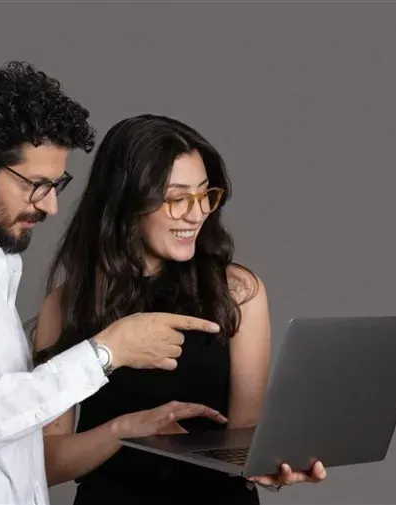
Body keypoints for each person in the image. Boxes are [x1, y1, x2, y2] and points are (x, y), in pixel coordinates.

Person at [0, 63, 224, 505]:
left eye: (57, 184)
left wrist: (124, 428)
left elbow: (12, 425)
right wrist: (108, 351)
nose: (50, 206)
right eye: (38, 185)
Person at [32, 114, 328, 505]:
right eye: (177, 198)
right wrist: (125, 429)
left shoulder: (237, 291)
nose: (197, 213)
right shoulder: (67, 305)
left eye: (206, 194)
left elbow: (244, 442)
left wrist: (277, 464)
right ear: (126, 202)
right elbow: (46, 464)